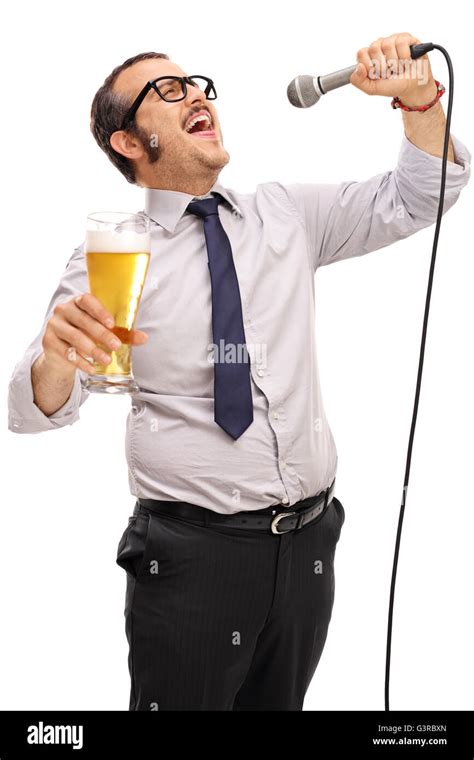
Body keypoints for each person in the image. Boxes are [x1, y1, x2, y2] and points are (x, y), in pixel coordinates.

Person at [8, 33, 471, 711]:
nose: (197, 93)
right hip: (193, 560)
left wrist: (419, 100)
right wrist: (54, 356)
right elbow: (38, 406)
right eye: (166, 91)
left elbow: (418, 196)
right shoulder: (114, 256)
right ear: (129, 143)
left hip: (309, 547)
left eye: (196, 83)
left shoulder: (285, 214)